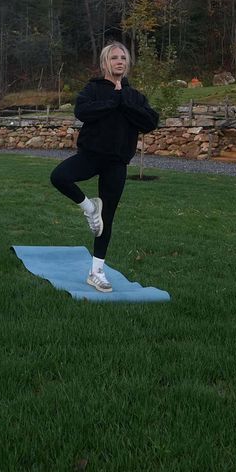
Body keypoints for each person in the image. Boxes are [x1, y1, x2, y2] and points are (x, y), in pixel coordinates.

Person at [49, 41, 159, 292]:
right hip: (91, 155)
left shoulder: (135, 96)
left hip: (117, 162)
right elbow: (83, 111)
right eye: (114, 58)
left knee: (107, 219)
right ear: (104, 63)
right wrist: (113, 101)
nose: (119, 61)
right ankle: (89, 207)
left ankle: (96, 272)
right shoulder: (94, 89)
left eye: (123, 57)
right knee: (59, 177)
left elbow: (150, 121)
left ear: (127, 63)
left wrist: (123, 101)